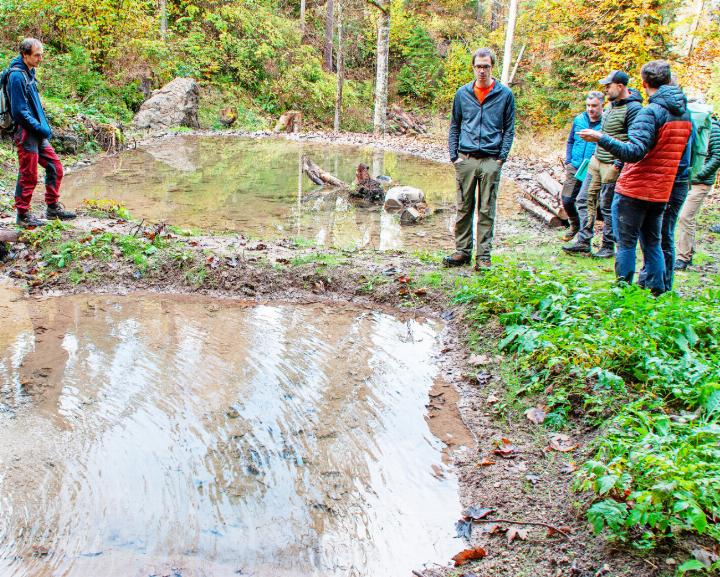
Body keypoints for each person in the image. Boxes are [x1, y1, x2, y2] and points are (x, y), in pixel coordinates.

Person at [579, 60, 692, 294]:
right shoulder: (684, 115)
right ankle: (657, 291)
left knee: (627, 243)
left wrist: (601, 138)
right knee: (653, 242)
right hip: (661, 190)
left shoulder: (650, 112)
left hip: (636, 188)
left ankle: (623, 291)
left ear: (644, 82)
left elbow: (634, 152)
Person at [444, 47, 515, 270]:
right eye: (478, 66)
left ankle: (483, 256)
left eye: (486, 66)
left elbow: (509, 129)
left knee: (486, 209)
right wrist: (454, 156)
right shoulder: (462, 94)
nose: (482, 71)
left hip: (491, 159)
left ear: (492, 67)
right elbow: (455, 125)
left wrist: (501, 158)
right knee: (464, 207)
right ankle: (462, 251)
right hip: (466, 158)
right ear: (473, 68)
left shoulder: (504, 94)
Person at [564, 71, 643, 257]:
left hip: (612, 164)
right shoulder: (611, 107)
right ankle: (584, 240)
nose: (606, 89)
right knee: (583, 199)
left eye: (609, 85)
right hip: (596, 161)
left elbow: (633, 142)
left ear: (620, 86)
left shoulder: (634, 110)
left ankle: (608, 246)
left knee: (607, 206)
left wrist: (618, 164)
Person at [7, 38, 75, 227]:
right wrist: (40, 127)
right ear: (25, 55)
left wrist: (42, 127)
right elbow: (19, 111)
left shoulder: (30, 72)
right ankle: (23, 216)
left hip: (37, 133)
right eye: (37, 55)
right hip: (26, 133)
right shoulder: (16, 77)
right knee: (29, 175)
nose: (40, 58)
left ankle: (52, 208)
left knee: (56, 168)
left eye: (42, 54)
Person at [675, 113, 720, 269]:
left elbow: (717, 156)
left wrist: (699, 174)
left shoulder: (713, 129)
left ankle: (683, 258)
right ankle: (688, 252)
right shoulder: (695, 126)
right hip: (689, 179)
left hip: (701, 182)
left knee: (685, 216)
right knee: (688, 217)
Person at [560, 91, 604, 242]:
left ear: (602, 106)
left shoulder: (606, 123)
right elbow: (571, 140)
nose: (590, 109)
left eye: (594, 106)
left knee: (584, 201)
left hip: (592, 167)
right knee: (566, 199)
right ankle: (574, 225)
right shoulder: (579, 119)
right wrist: (569, 159)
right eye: (588, 105)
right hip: (575, 165)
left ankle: (584, 237)